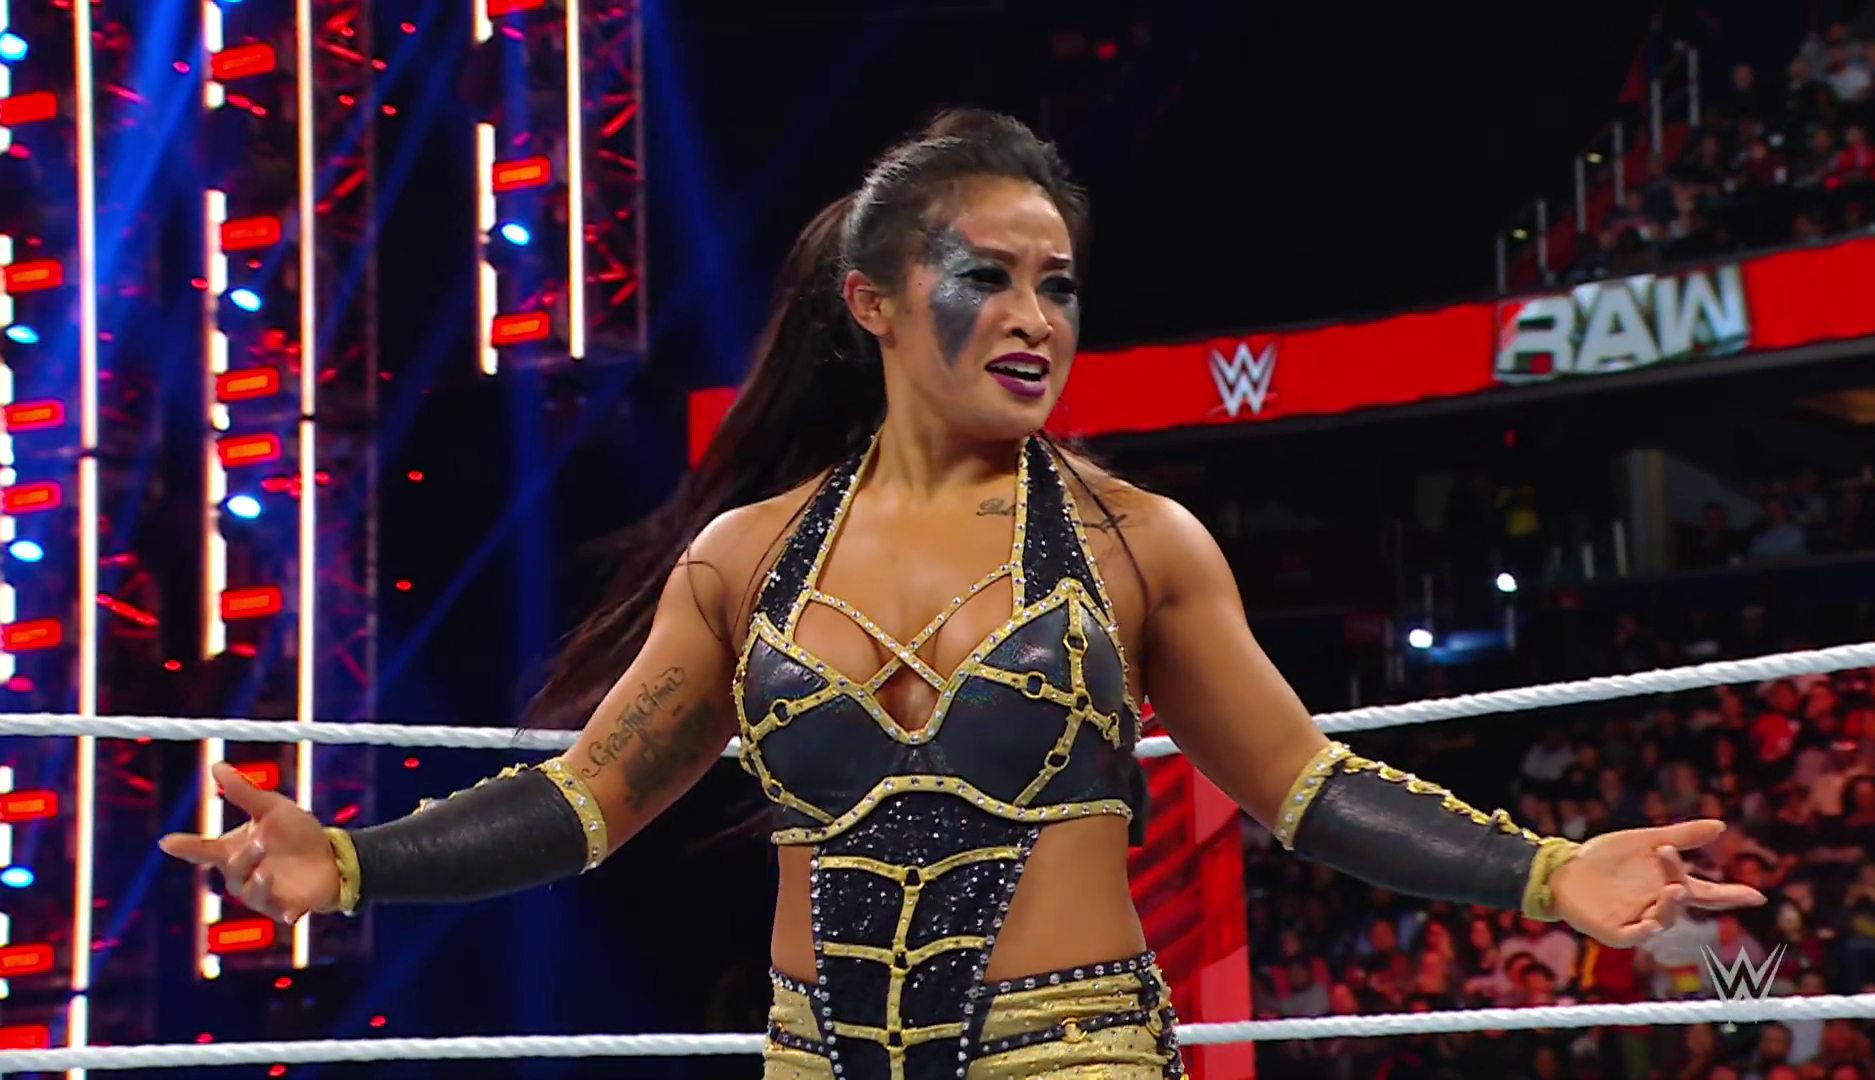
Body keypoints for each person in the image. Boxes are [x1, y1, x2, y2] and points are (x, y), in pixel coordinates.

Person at [159, 109, 1763, 1079]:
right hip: (821, 1049)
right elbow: (588, 802)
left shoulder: (1139, 542)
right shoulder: (747, 559)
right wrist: (349, 862)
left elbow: (1304, 786)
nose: (1035, 316)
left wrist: (1551, 873)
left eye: (1058, 283)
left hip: (1068, 1045)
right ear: (871, 301)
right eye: (986, 276)